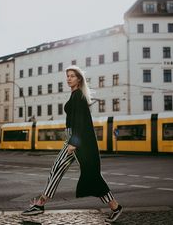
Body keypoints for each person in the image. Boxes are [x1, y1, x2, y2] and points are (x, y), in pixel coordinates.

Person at [22, 65, 123, 223]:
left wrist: (74, 142)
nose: (68, 78)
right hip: (73, 140)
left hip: (77, 142)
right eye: (67, 76)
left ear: (79, 79)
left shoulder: (78, 96)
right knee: (68, 172)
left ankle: (40, 205)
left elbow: (81, 122)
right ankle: (115, 207)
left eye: (72, 76)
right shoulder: (75, 95)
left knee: (70, 172)